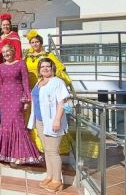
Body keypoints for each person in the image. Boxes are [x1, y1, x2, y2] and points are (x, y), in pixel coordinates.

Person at [0, 44, 43, 165]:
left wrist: (26, 99)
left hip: (17, 98)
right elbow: (0, 85)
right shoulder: (0, 67)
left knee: (18, 125)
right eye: (3, 52)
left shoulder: (21, 63)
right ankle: (8, 155)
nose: (6, 54)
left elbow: (25, 82)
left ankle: (20, 156)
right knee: (6, 125)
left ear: (13, 51)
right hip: (5, 99)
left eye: (7, 51)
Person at [24, 30, 73, 155]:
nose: (35, 44)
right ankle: (37, 147)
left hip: (47, 91)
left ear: (41, 42)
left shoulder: (48, 55)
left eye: (37, 42)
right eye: (32, 42)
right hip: (34, 89)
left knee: (49, 117)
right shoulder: (27, 57)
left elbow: (58, 68)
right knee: (35, 118)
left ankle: (53, 149)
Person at [27, 58, 71, 193]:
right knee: (47, 150)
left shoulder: (57, 82)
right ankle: (50, 175)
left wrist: (57, 120)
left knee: (52, 151)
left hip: (52, 121)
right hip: (41, 121)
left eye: (48, 66)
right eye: (42, 67)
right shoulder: (39, 82)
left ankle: (58, 180)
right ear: (39, 69)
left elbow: (62, 102)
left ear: (52, 68)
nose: (45, 68)